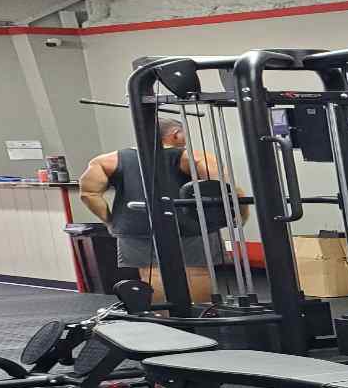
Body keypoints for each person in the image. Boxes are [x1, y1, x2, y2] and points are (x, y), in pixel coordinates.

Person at [77, 118, 234, 304]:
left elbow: (88, 194)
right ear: (176, 134)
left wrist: (110, 221)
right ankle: (199, 319)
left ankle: (164, 320)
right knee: (196, 272)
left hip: (135, 227)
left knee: (152, 275)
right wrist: (234, 215)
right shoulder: (192, 156)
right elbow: (220, 186)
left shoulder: (108, 160)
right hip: (189, 226)